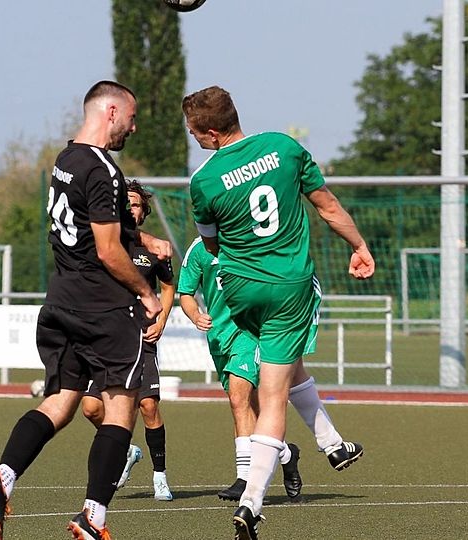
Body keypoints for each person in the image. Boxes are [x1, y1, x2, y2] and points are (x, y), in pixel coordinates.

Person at [0, 80, 171, 540]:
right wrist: (146, 292)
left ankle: (3, 481)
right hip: (103, 307)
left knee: (60, 403)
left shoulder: (65, 160)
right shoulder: (104, 169)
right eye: (131, 117)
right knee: (121, 406)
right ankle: (93, 517)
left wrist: (141, 238)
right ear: (110, 111)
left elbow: (88, 226)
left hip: (61, 301)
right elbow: (106, 249)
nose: (134, 126)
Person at [182, 85, 375, 539]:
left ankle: (332, 444)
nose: (194, 139)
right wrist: (359, 246)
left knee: (285, 366)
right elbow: (327, 206)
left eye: (193, 132)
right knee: (271, 397)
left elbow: (211, 246)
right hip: (289, 288)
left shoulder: (203, 182)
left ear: (211, 132)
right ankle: (252, 502)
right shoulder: (285, 148)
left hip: (241, 293)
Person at [177, 236, 304, 503]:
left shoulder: (250, 239)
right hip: (219, 337)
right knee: (253, 408)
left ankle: (245, 478)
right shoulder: (199, 248)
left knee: (238, 397)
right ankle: (287, 455)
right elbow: (186, 293)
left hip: (250, 332)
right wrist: (196, 315)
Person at [80, 180, 176, 501]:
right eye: (127, 203)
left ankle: (159, 476)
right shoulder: (110, 242)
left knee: (148, 405)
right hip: (108, 340)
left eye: (135, 204)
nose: (131, 208)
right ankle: (127, 450)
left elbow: (167, 286)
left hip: (142, 337)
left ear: (144, 211)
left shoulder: (154, 249)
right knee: (91, 409)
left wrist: (161, 319)